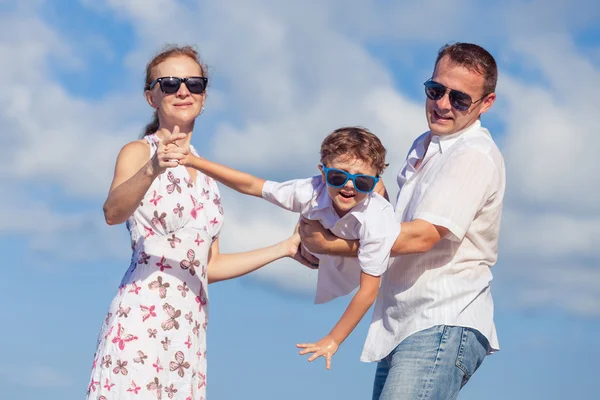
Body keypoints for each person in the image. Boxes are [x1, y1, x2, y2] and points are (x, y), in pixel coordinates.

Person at [85, 45, 304, 400]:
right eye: (169, 83)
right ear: (150, 97)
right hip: (140, 321)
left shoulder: (207, 175)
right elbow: (113, 212)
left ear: (203, 95)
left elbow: (209, 266)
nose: (183, 91)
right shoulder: (138, 152)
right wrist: (153, 167)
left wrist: (284, 249)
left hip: (188, 330)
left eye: (194, 83)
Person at [298, 42, 506, 399]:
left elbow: (422, 237)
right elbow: (385, 223)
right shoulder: (424, 145)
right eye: (436, 90)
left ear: (486, 103)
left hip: (440, 319)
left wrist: (328, 244)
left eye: (459, 99)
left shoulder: (473, 154)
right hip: (406, 323)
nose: (442, 104)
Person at [180, 127, 400, 370]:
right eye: (339, 176)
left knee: (376, 217)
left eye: (362, 180)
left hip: (356, 262)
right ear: (323, 172)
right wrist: (194, 161)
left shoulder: (378, 220)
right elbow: (253, 185)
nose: (348, 185)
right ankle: (306, 231)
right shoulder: (309, 190)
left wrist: (333, 340)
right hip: (318, 248)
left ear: (374, 179)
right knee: (311, 225)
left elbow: (368, 292)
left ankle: (375, 193)